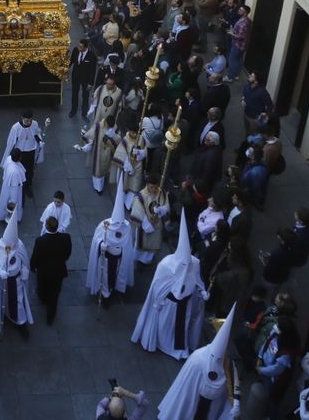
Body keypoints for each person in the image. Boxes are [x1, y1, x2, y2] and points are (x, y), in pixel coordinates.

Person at [131, 217, 208, 359]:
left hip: (185, 305)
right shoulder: (166, 265)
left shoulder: (195, 264)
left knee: (181, 328)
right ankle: (162, 344)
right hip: (169, 305)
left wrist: (202, 292)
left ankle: (179, 349)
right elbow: (158, 287)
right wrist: (158, 302)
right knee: (165, 327)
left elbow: (197, 281)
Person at [158, 303, 236, 420]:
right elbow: (186, 388)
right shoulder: (197, 358)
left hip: (212, 405)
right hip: (194, 399)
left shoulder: (227, 363)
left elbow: (233, 385)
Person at [0, 210, 33, 338]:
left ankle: (21, 322)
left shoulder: (19, 245)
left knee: (18, 301)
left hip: (16, 281)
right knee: (1, 300)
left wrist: (24, 270)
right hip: (2, 282)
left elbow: (24, 260)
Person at [86, 179, 138, 308]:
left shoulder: (126, 227)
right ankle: (105, 294)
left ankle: (116, 288)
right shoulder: (104, 226)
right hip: (106, 259)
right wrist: (101, 245)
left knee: (118, 274)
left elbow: (128, 243)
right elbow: (97, 240)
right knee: (105, 277)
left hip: (120, 258)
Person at [29, 214, 72, 326]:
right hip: (58, 271)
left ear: (47, 226)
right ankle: (50, 317)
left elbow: (35, 256)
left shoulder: (40, 241)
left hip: (44, 272)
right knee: (55, 294)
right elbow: (68, 253)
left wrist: (33, 267)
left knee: (43, 288)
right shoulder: (66, 238)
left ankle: (43, 298)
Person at [2, 109, 43, 199]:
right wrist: (11, 153)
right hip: (20, 152)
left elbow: (36, 134)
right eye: (27, 121)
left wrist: (40, 141)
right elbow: (12, 141)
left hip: (31, 149)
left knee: (30, 169)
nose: (29, 122)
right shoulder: (16, 127)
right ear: (22, 118)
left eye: (30, 120)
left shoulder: (35, 124)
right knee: (20, 169)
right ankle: (20, 184)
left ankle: (28, 186)